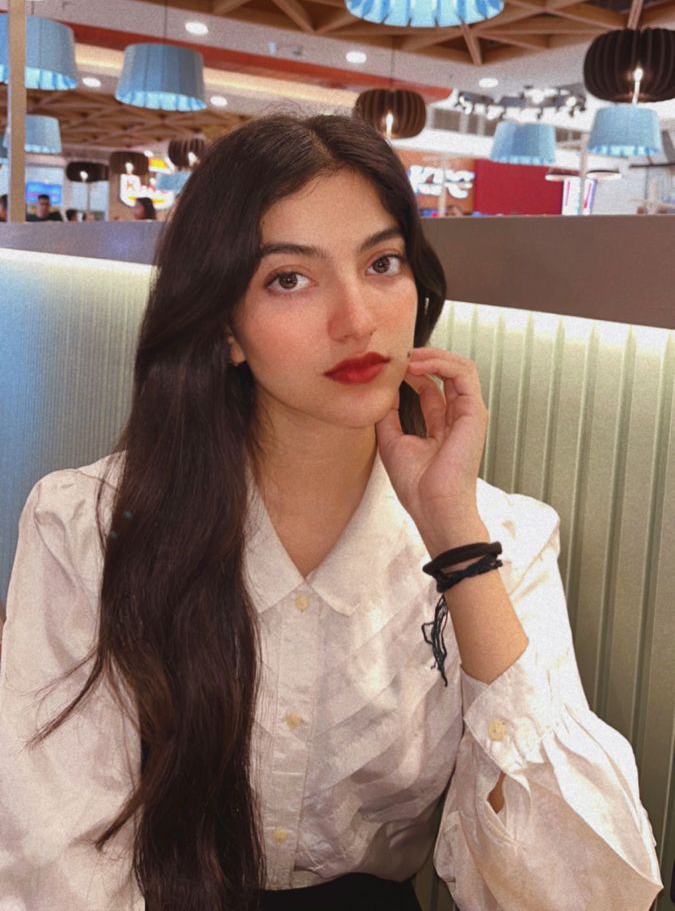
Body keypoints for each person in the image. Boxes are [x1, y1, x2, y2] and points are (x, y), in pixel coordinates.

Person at [0, 114, 663, 911]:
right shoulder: (86, 524)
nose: (356, 319)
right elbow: (56, 852)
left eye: (382, 263)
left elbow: (574, 893)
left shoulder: (501, 538)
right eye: (289, 278)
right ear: (225, 327)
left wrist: (455, 539)